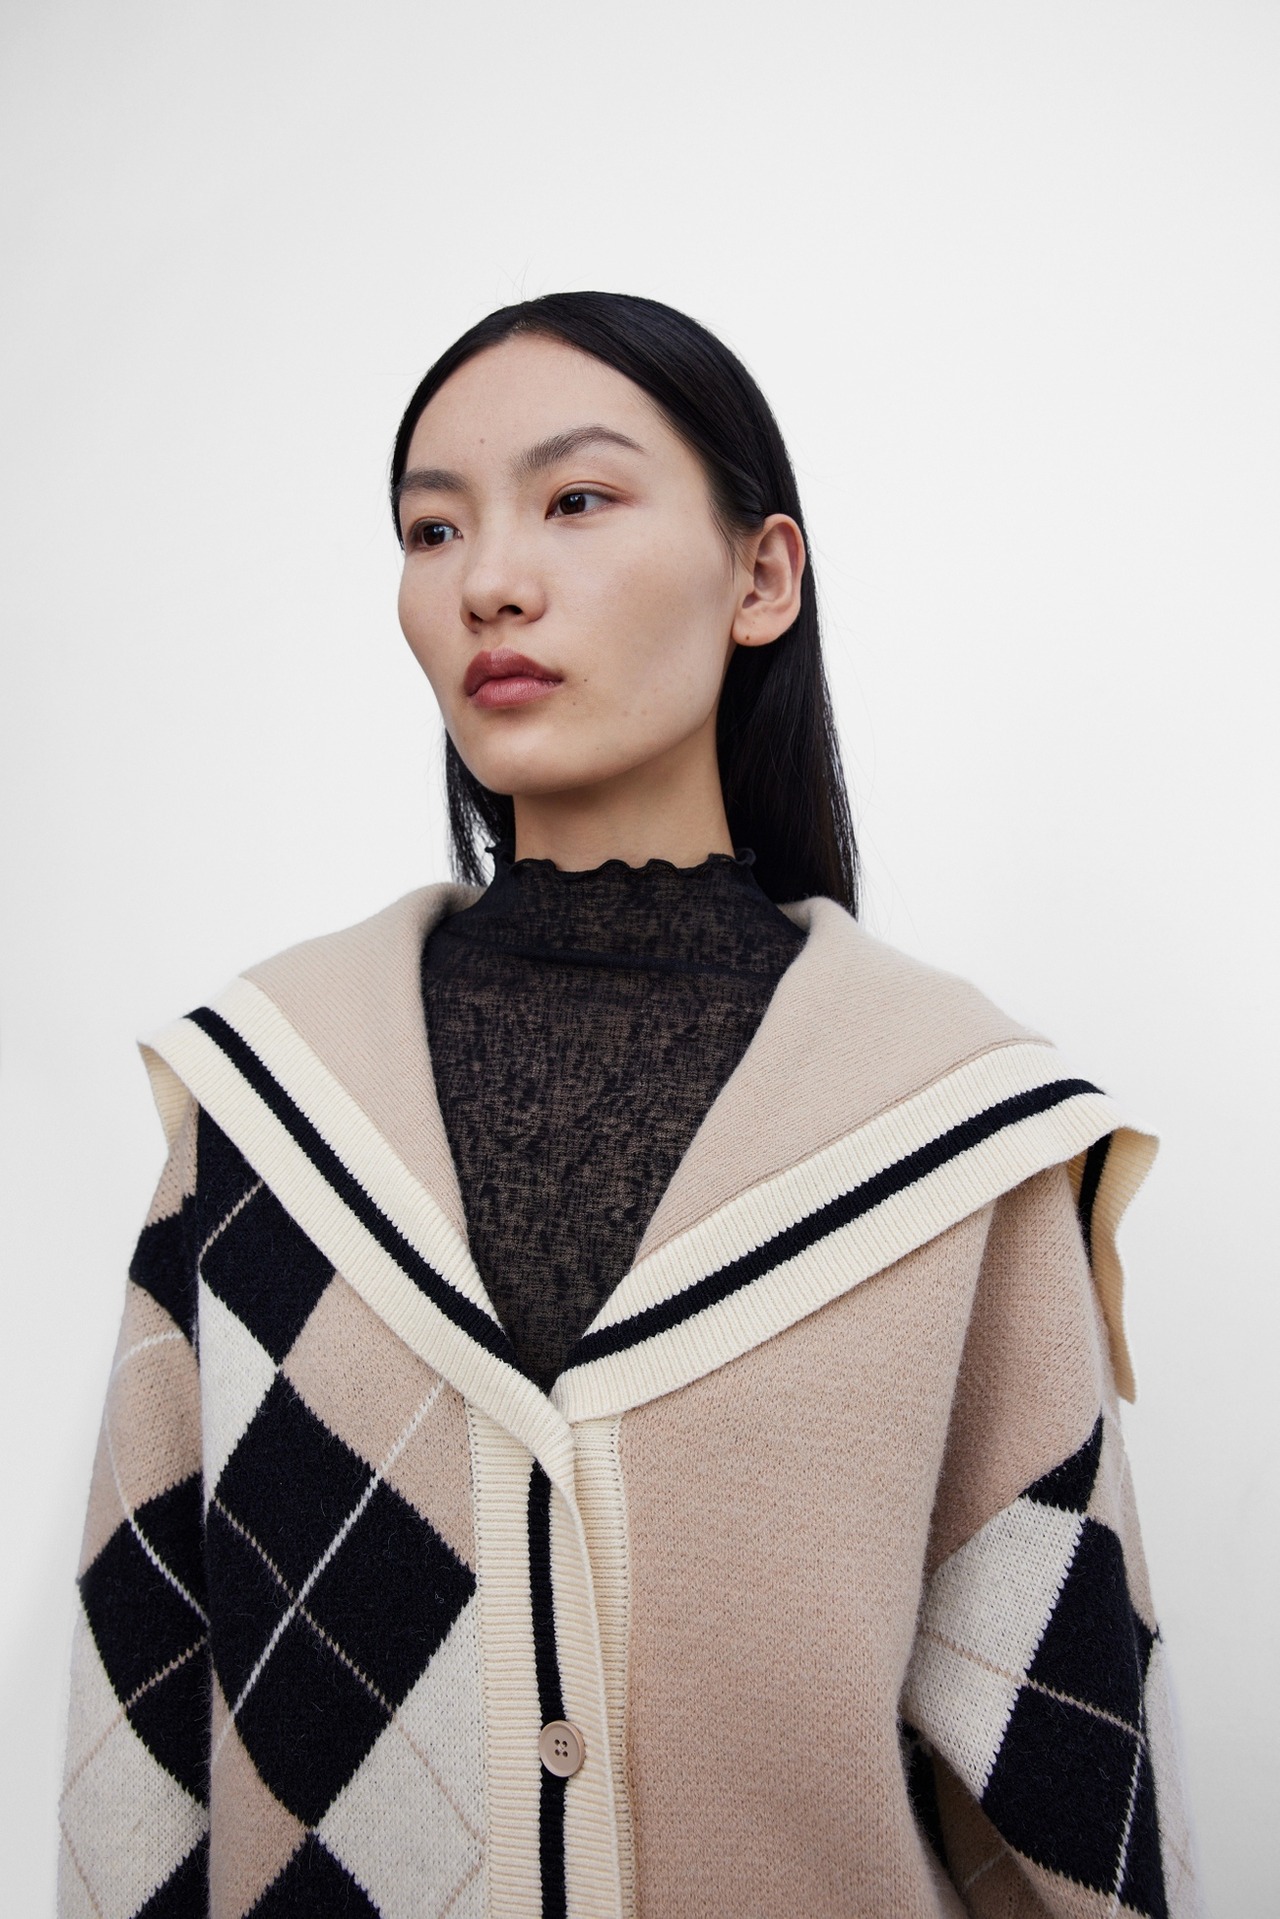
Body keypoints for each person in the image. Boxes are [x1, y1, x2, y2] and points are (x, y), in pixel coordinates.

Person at [57, 293, 1200, 1919]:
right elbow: (140, 1726)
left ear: (763, 577)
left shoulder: (957, 1136)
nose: (487, 580)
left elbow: (1071, 1771)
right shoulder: (264, 1111)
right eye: (432, 528)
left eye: (575, 499)